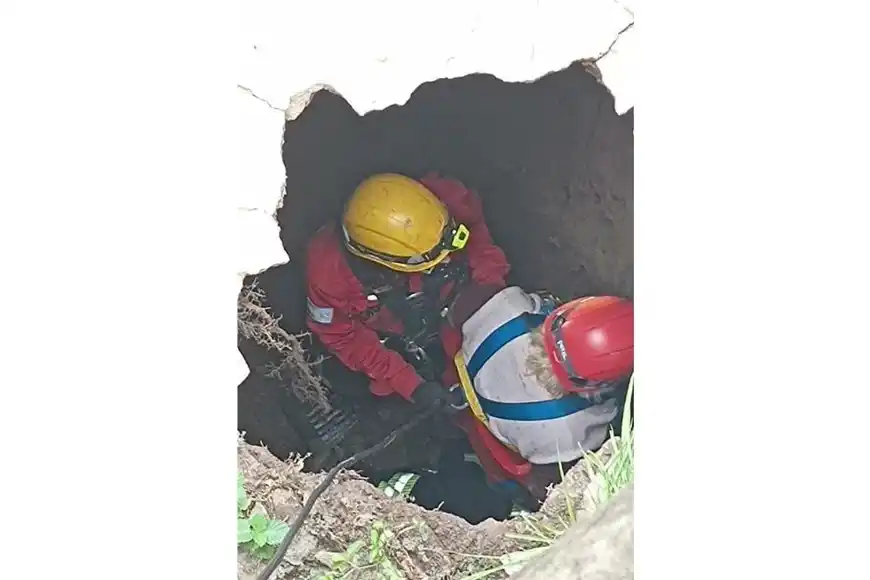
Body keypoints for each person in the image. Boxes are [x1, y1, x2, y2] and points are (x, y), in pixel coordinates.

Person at [305, 172, 510, 413]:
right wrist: (411, 385)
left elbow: (477, 235)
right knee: (351, 382)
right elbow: (342, 337)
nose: (442, 262)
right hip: (390, 329)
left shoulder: (440, 203)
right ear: (383, 263)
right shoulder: (328, 274)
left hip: (447, 298)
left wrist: (489, 289)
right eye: (429, 259)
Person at [446, 284, 634, 501]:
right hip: (504, 453)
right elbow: (551, 485)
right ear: (598, 385)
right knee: (507, 482)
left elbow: (460, 307)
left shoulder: (508, 307)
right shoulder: (565, 433)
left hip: (463, 391)